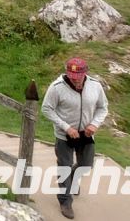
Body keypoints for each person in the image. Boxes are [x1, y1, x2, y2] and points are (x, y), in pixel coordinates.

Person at [42, 57, 108, 218]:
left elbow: (103, 108)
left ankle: (72, 178)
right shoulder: (56, 88)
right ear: (67, 73)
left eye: (78, 77)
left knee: (86, 165)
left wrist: (94, 124)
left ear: (85, 73)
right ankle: (65, 202)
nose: (75, 80)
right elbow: (47, 109)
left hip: (86, 134)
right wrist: (66, 127)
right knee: (64, 166)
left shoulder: (95, 86)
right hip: (64, 136)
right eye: (72, 77)